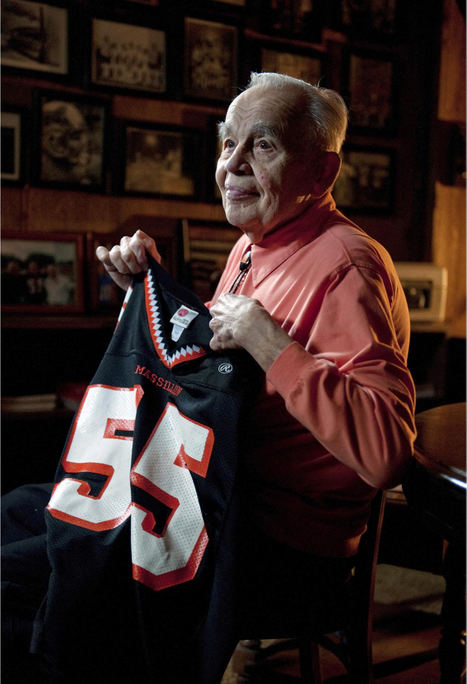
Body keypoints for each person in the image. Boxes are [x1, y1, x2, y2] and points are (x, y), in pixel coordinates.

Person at [96, 71, 416, 671]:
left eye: (262, 146)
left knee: (69, 568)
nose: (233, 164)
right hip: (218, 499)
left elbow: (387, 453)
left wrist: (273, 344)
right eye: (227, 143)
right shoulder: (256, 241)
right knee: (42, 522)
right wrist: (144, 292)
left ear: (321, 173)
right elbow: (219, 367)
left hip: (284, 549)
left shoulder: (348, 265)